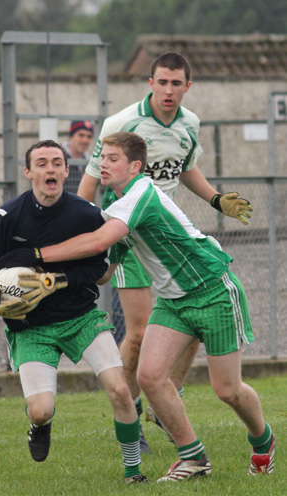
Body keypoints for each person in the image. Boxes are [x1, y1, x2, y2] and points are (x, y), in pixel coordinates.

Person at [0, 132, 275, 481]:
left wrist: (35, 256)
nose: (103, 164)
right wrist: (51, 282)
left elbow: (98, 240)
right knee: (148, 377)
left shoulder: (142, 193)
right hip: (174, 302)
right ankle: (193, 458)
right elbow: (104, 272)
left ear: (135, 166)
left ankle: (263, 441)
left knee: (227, 390)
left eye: (113, 158)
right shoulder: (117, 207)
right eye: (103, 157)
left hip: (212, 290)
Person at [76, 52, 253, 448]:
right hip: (126, 235)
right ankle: (131, 411)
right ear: (150, 83)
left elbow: (186, 169)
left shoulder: (190, 123)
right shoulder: (121, 124)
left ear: (187, 87)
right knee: (138, 333)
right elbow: (90, 183)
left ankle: (165, 398)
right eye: (162, 82)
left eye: (177, 83)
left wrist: (215, 199)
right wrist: (83, 233)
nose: (169, 90)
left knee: (192, 322)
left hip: (166, 241)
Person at [0, 140, 148, 485]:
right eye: (42, 163)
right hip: (31, 327)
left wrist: (56, 281)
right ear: (28, 171)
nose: (50, 169)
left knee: (120, 390)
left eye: (56, 163)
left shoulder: (86, 214)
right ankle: (39, 426)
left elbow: (99, 268)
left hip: (81, 317)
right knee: (41, 408)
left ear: (67, 170)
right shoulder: (6, 217)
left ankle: (133, 470)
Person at [62, 120, 94, 193]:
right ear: (71, 136)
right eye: (81, 135)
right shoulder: (60, 158)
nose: (85, 140)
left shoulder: (91, 161)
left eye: (89, 136)